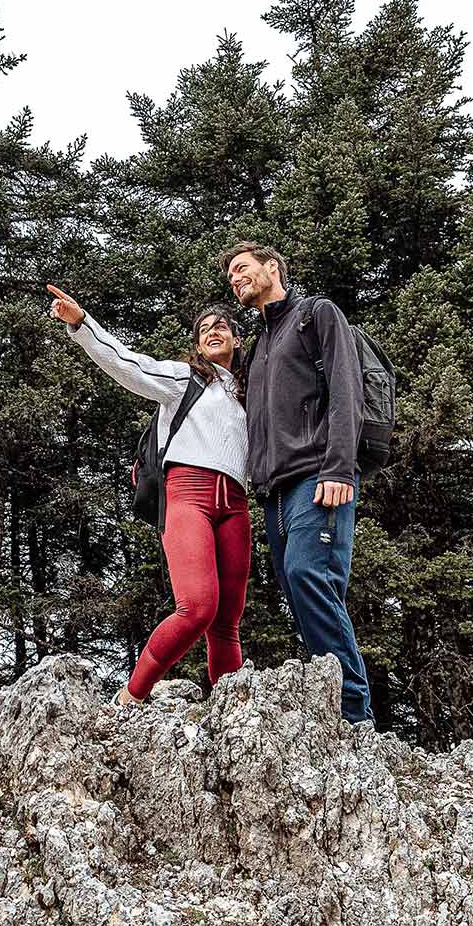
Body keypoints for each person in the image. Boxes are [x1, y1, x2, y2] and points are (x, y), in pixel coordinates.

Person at [46, 283, 251, 707]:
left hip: (236, 504)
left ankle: (229, 714)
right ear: (196, 343)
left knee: (227, 623)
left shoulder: (251, 392)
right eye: (204, 329)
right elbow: (128, 364)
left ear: (236, 337)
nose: (213, 332)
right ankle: (132, 695)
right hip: (188, 495)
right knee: (197, 607)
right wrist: (82, 324)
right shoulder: (185, 379)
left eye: (222, 327)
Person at [219, 242, 372, 724]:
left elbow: (347, 389)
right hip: (274, 492)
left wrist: (339, 467)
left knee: (311, 575)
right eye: (230, 275)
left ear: (272, 267)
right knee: (299, 590)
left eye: (242, 268)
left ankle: (355, 714)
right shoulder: (260, 345)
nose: (235, 278)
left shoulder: (316, 314)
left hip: (317, 476)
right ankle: (334, 713)